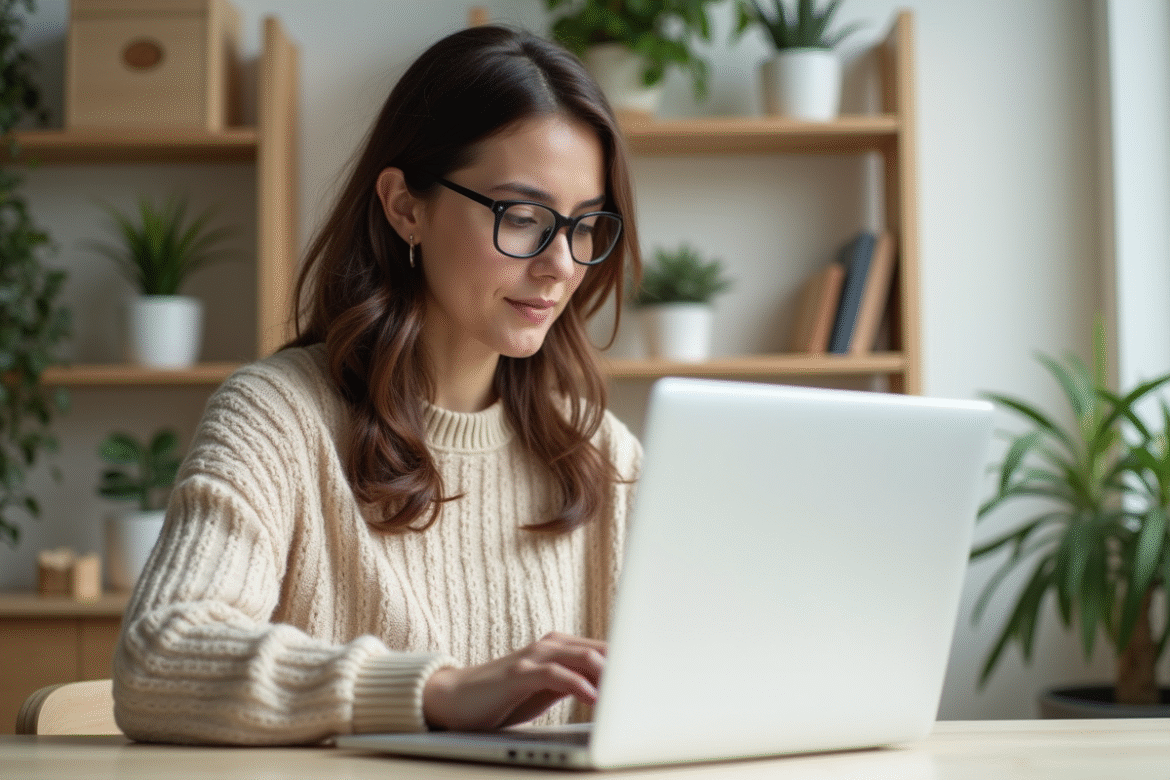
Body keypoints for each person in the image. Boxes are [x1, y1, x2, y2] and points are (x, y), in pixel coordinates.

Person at [111, 24, 643, 745]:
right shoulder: (276, 418)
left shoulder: (600, 455)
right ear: (404, 207)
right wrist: (437, 692)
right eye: (523, 218)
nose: (561, 267)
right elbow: (159, 659)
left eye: (585, 226)